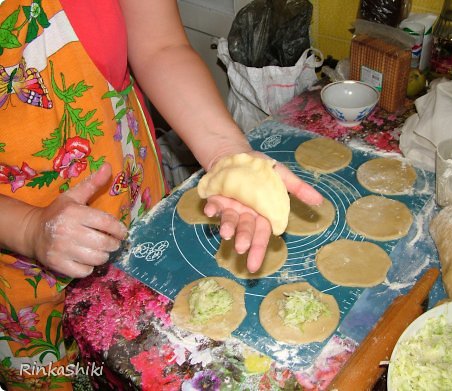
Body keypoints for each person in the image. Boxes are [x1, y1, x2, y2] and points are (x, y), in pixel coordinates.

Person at [0, 0, 322, 389]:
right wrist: (29, 227)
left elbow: (159, 46)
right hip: (16, 260)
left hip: (131, 191)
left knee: (140, 357)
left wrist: (226, 154)